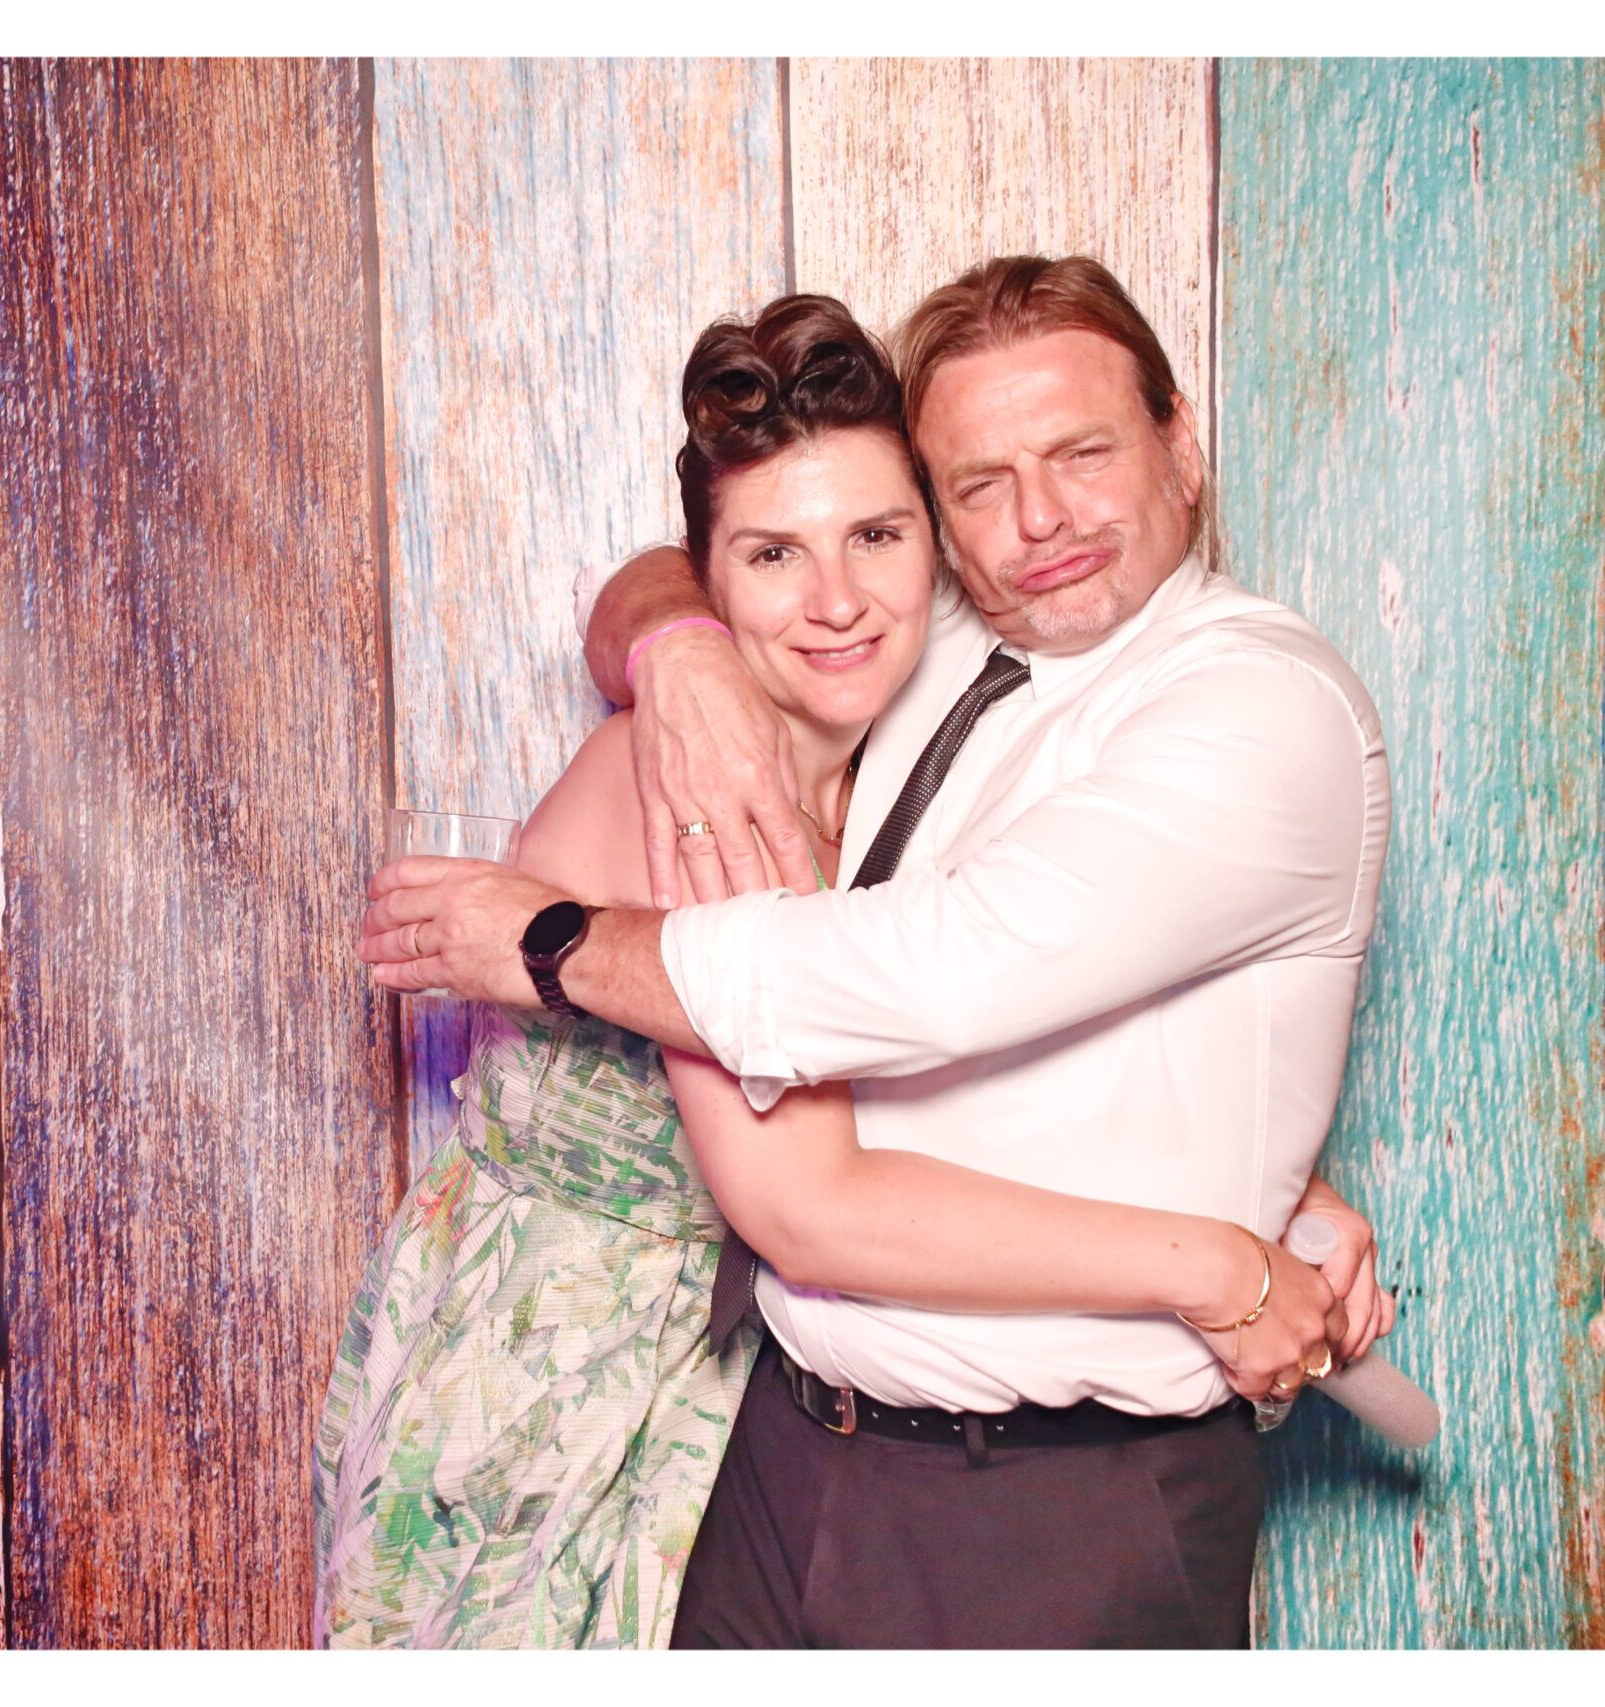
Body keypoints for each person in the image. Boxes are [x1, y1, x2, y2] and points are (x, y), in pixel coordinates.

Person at [317, 291, 1382, 1649]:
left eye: (877, 536)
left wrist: (1263, 1163)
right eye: (771, 557)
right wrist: (1217, 1261)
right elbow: (811, 1204)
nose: (835, 599)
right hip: (550, 1400)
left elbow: (980, 993)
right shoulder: (706, 776)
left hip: (761, 1425)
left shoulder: (1028, 697)